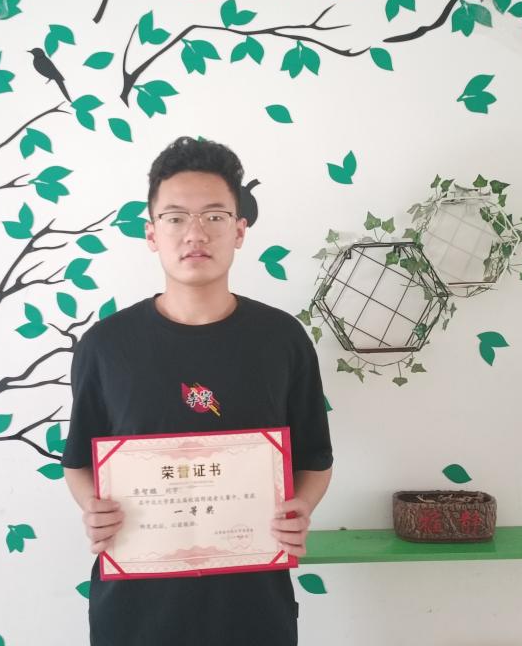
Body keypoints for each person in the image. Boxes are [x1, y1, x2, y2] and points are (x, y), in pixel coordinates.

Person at [62, 136, 334, 646]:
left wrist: (301, 508)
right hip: (134, 613)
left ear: (239, 230)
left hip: (253, 608)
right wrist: (91, 507)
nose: (195, 233)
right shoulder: (105, 346)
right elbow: (78, 462)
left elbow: (315, 460)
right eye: (175, 218)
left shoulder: (282, 340)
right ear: (151, 233)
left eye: (214, 216)